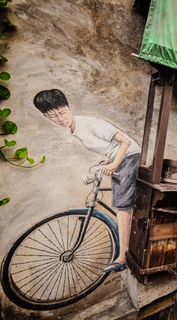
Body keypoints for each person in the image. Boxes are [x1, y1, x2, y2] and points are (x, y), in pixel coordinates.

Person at [33, 89, 140, 273]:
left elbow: (125, 143)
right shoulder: (76, 129)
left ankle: (123, 256)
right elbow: (111, 146)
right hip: (121, 158)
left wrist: (114, 163)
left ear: (70, 107)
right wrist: (109, 158)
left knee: (122, 207)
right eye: (53, 116)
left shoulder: (90, 124)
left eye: (62, 112)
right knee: (121, 202)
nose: (60, 119)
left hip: (131, 157)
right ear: (46, 117)